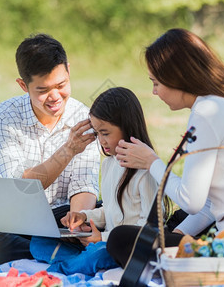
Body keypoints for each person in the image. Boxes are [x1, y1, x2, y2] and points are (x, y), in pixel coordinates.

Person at [107, 28, 224, 267]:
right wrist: (177, 237)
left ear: (177, 77)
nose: (154, 92)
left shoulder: (207, 111)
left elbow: (190, 200)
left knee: (119, 239)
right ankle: (183, 256)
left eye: (155, 82)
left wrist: (151, 162)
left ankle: (183, 265)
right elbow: (207, 204)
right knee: (167, 229)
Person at [0, 34, 100, 266]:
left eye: (61, 85)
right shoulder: (2, 119)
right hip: (12, 221)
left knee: (108, 211)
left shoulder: (83, 117)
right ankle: (55, 251)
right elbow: (20, 188)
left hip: (60, 216)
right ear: (23, 85)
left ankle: (63, 246)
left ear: (68, 70)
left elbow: (84, 184)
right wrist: (68, 150)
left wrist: (79, 221)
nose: (55, 96)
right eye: (43, 89)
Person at [29, 87, 160, 275]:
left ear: (127, 126)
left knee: (99, 255)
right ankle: (78, 262)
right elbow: (110, 210)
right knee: (39, 242)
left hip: (125, 247)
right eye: (97, 133)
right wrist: (84, 217)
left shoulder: (145, 171)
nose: (101, 140)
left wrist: (103, 238)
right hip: (101, 242)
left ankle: (63, 268)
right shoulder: (109, 164)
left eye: (105, 133)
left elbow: (150, 229)